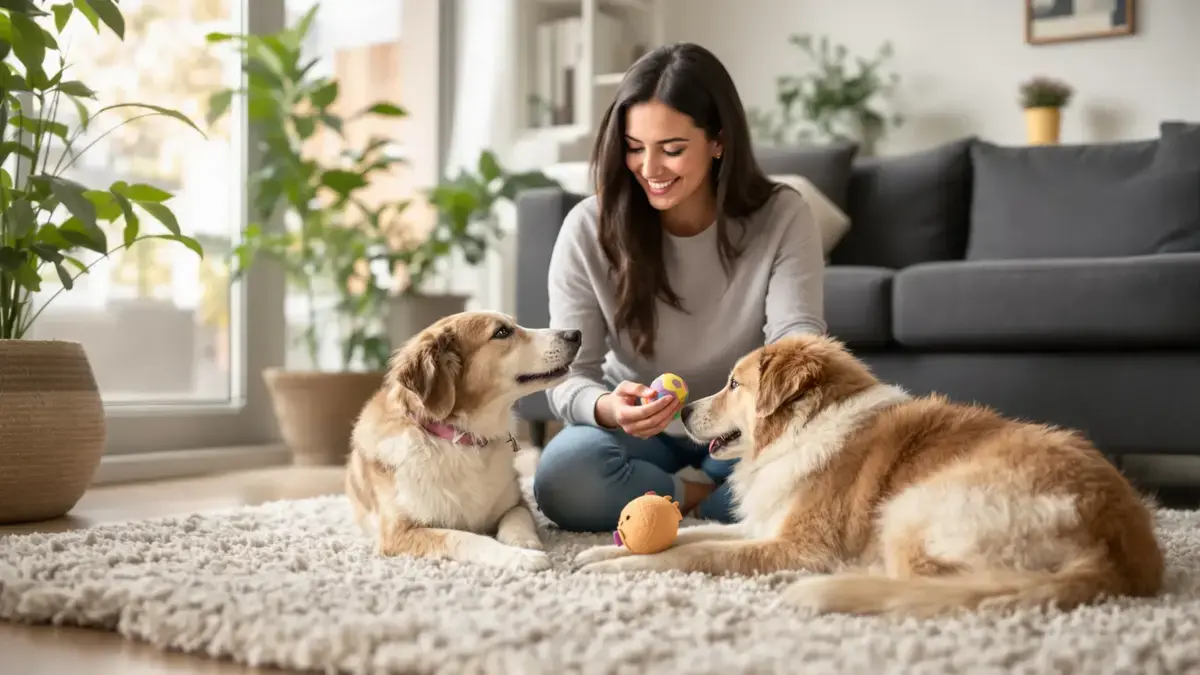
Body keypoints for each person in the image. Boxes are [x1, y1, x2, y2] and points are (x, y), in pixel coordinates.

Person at [531, 42, 827, 533]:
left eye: (671, 149)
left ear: (718, 141)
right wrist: (608, 408)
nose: (650, 169)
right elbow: (568, 375)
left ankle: (675, 501)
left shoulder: (782, 215)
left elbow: (797, 344)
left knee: (814, 470)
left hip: (739, 429)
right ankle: (700, 501)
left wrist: (753, 421)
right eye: (633, 147)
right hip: (638, 435)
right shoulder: (588, 228)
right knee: (563, 477)